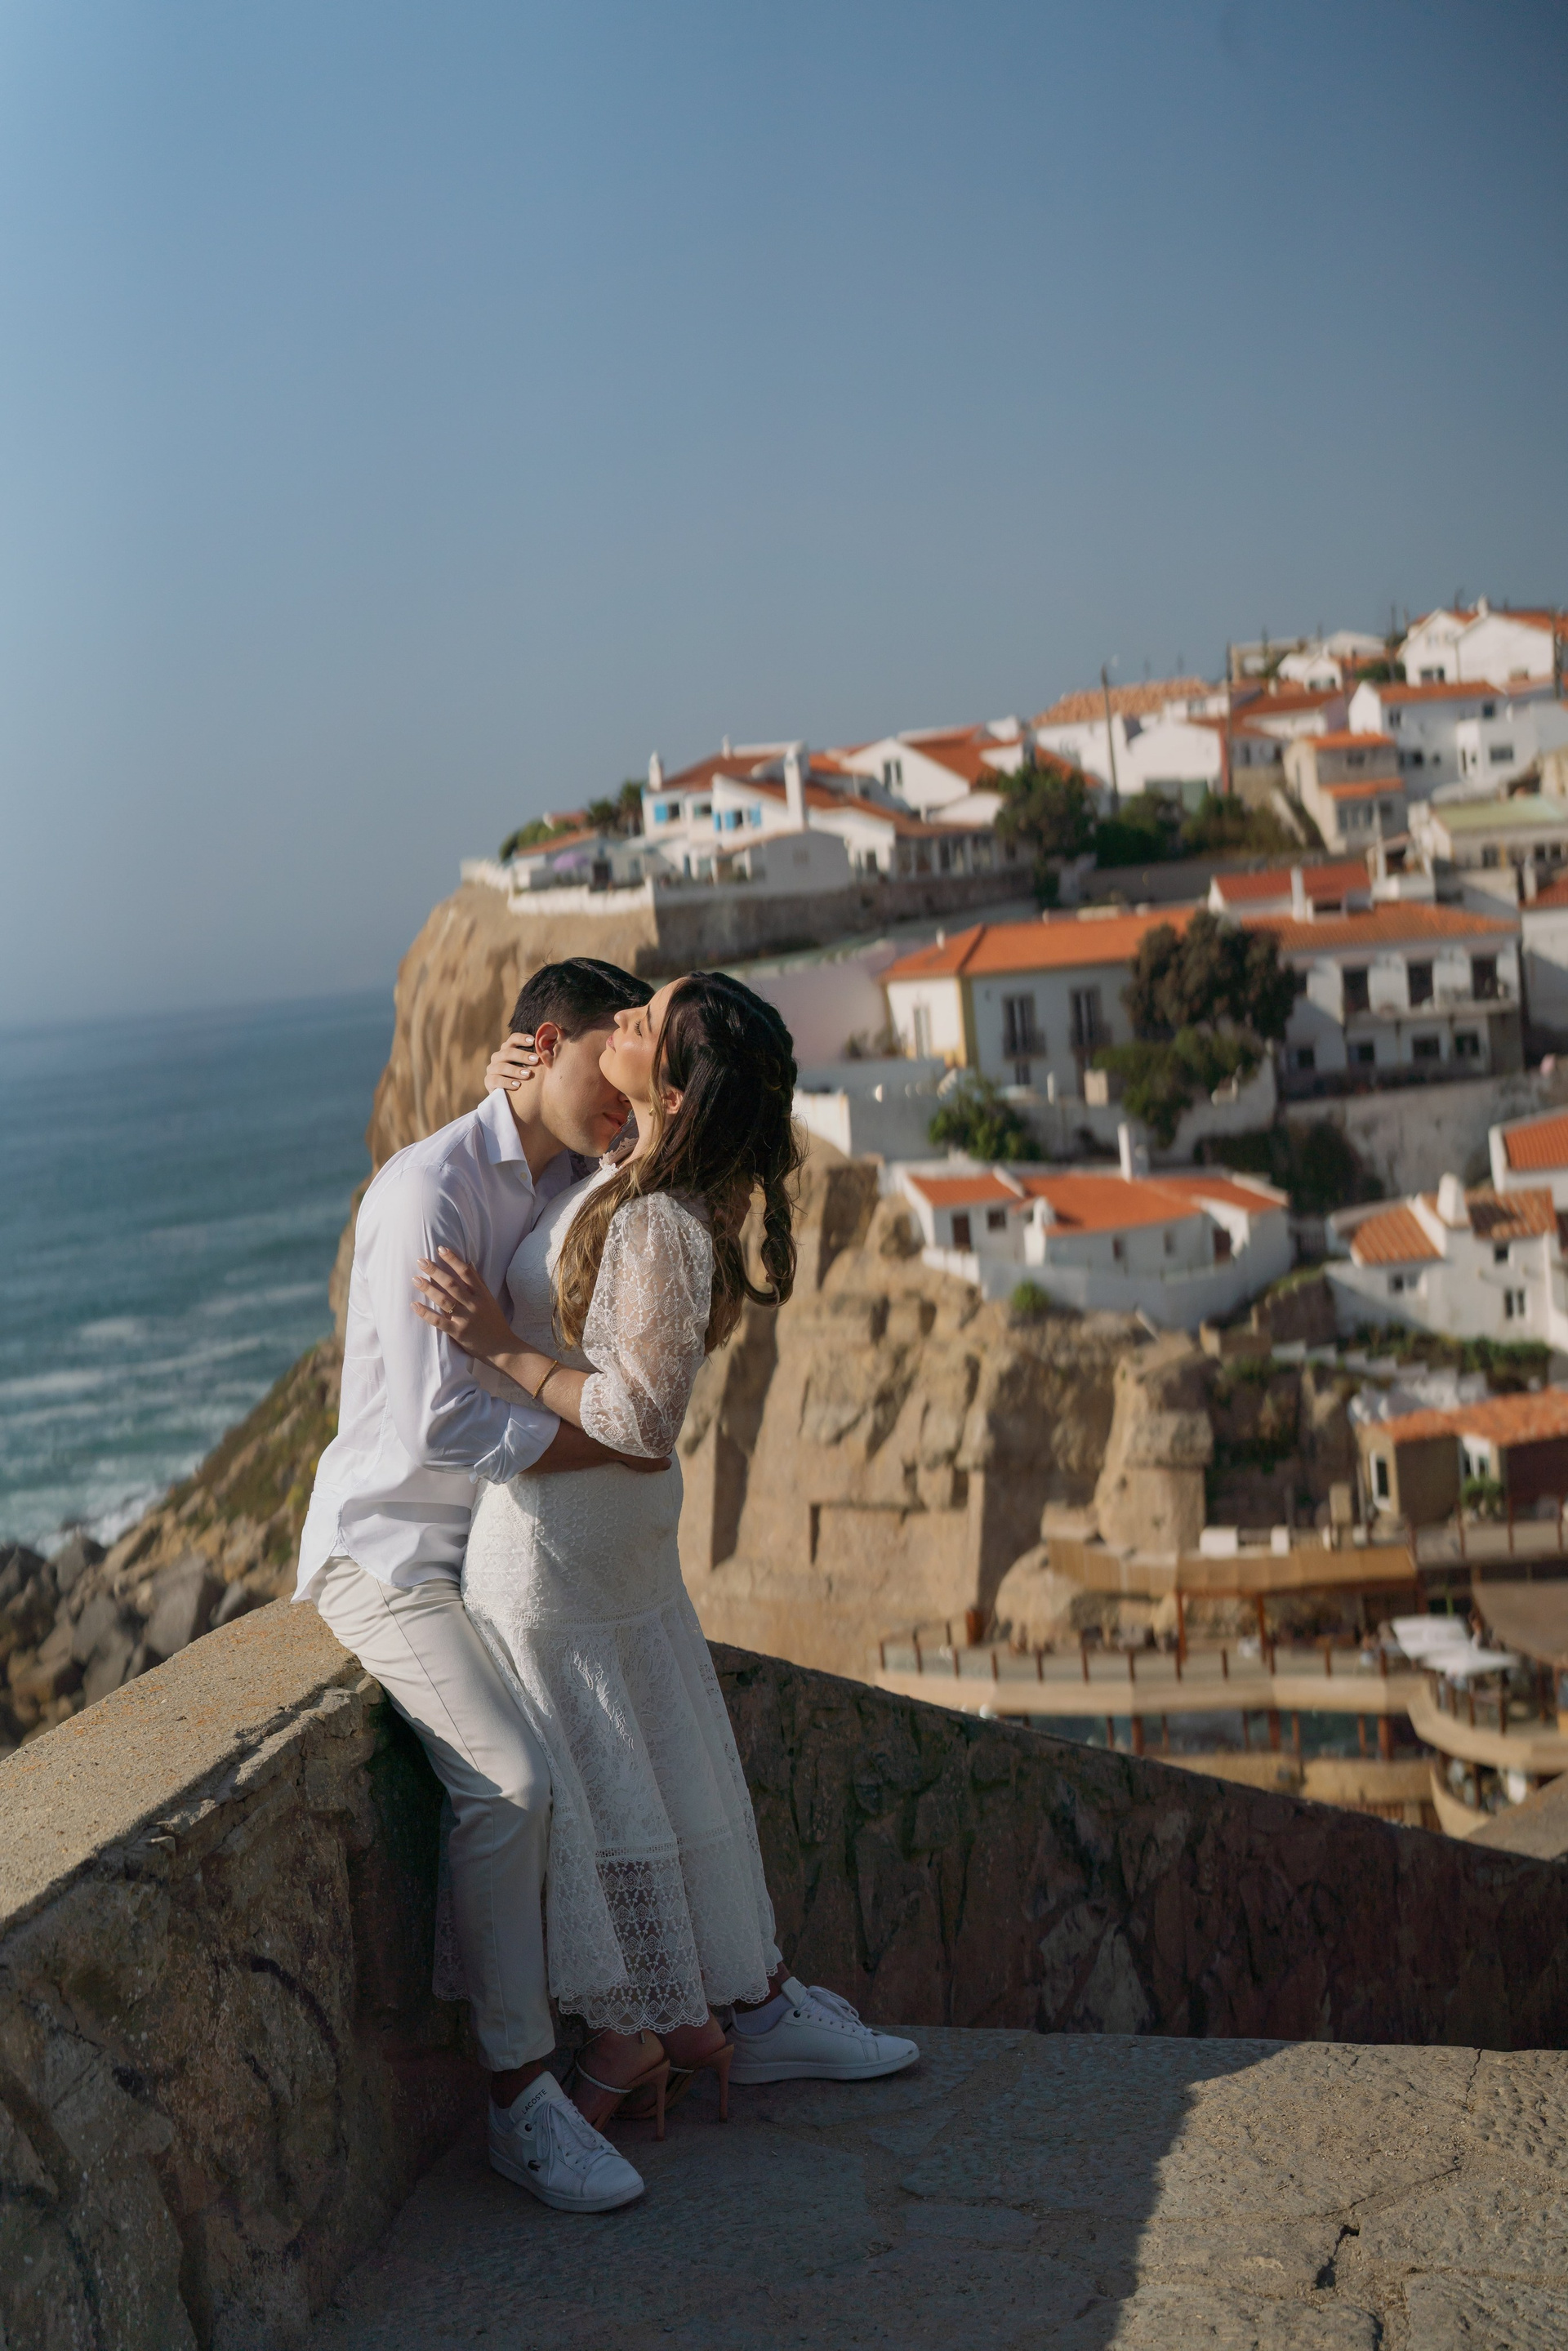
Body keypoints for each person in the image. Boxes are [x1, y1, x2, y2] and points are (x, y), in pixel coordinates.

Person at [412, 972, 920, 2158]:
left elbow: (642, 1422)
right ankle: (698, 2021)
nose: (627, 1019)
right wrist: (510, 1087)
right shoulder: (629, 1178)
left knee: (597, 1786)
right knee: (634, 1768)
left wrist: (498, 1347)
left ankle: (643, 2035)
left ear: (677, 1093)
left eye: (645, 1024)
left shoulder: (657, 1221)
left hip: (566, 1542)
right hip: (595, 1541)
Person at [297, 956, 669, 2217]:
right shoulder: (428, 1192)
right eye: (607, 1066)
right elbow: (441, 1421)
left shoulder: (576, 1173)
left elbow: (656, 1177)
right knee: (508, 1783)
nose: (624, 1100)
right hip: (392, 1556)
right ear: (546, 1045)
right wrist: (607, 1440)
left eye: (636, 1084)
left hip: (499, 1556)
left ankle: (680, 2017)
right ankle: (520, 2101)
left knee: (609, 1739)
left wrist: (622, 1118)